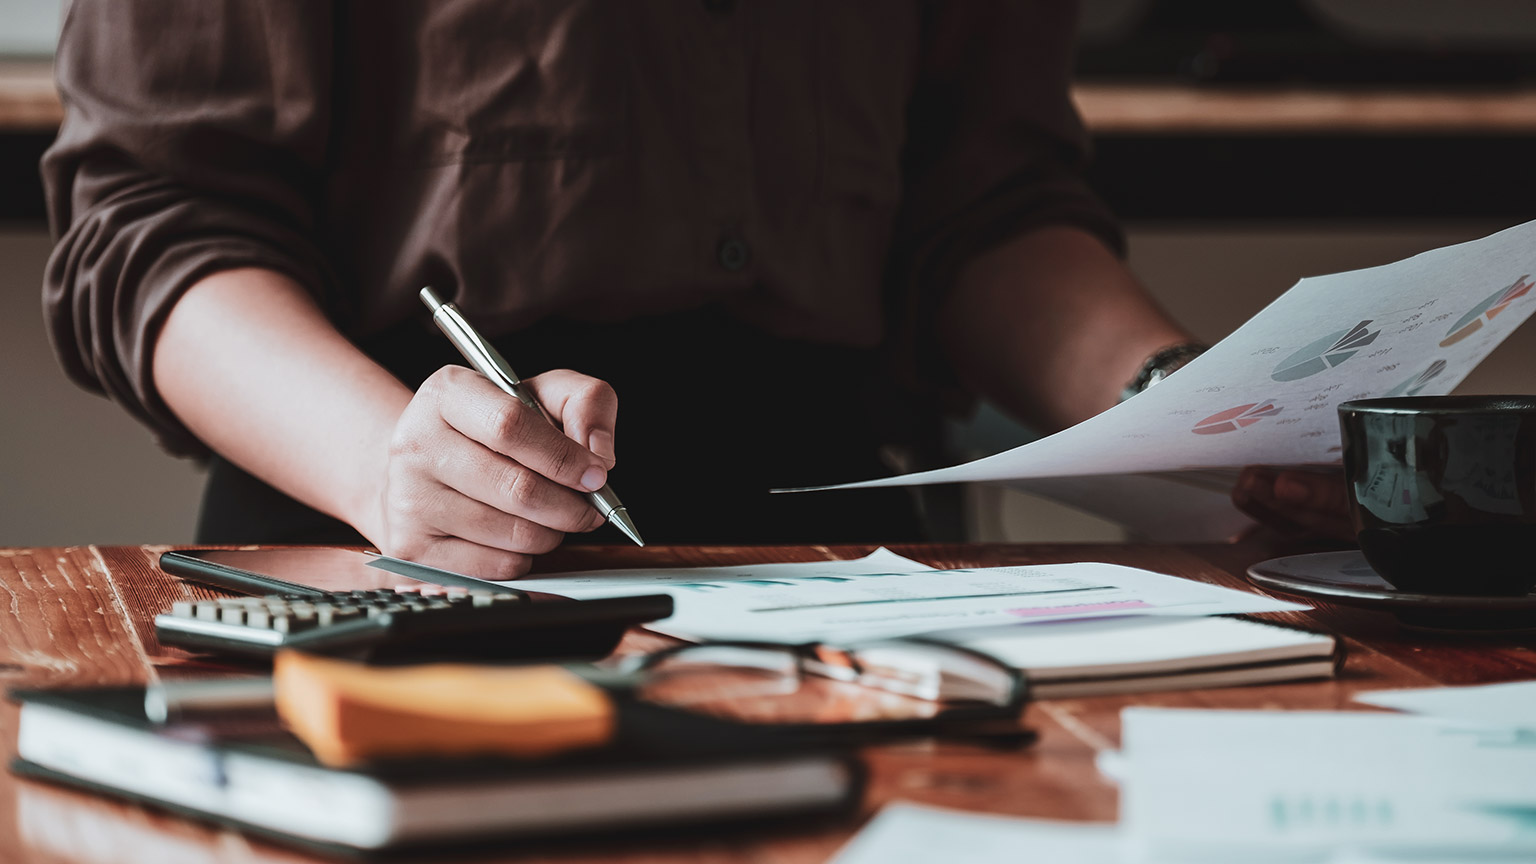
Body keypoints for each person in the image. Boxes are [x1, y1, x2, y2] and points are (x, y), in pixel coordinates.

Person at [41, 1, 1345, 580]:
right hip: (390, 515)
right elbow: (158, 218)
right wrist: (389, 463)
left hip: (846, 552)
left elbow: (979, 205)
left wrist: (1197, 413)